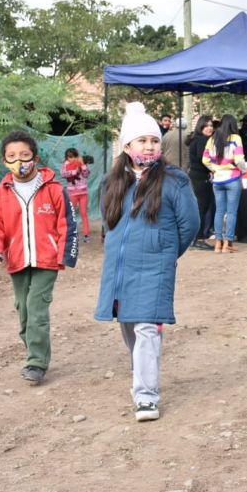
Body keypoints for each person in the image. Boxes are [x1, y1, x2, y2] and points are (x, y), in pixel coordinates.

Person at [94, 102, 199, 422]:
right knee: (129, 327)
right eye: (142, 140)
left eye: (154, 140)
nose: (150, 146)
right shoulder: (111, 181)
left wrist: (165, 252)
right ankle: (142, 369)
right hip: (120, 269)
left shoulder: (174, 180)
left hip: (155, 266)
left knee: (147, 328)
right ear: (127, 146)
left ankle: (146, 396)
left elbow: (190, 225)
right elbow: (107, 219)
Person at [0, 130, 78, 385]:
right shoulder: (0, 193)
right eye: (12, 156)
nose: (19, 161)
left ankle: (36, 362)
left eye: (24, 155)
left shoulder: (54, 189)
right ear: (4, 161)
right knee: (23, 312)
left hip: (47, 261)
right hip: (17, 260)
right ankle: (33, 347)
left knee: (36, 309)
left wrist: (66, 253)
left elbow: (67, 223)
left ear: (35, 158)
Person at [202, 115, 246, 253]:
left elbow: (205, 159)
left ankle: (217, 244)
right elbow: (239, 159)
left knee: (219, 211)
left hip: (217, 180)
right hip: (233, 178)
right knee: (231, 212)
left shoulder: (212, 139)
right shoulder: (235, 139)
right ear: (232, 125)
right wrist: (243, 171)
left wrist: (216, 169)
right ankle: (228, 244)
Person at [186, 115, 215, 250]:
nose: (210, 128)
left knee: (200, 208)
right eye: (207, 125)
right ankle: (197, 239)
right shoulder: (203, 140)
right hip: (200, 178)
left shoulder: (195, 139)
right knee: (201, 208)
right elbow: (203, 158)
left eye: (211, 125)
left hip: (196, 176)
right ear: (201, 126)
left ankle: (195, 238)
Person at [60, 148, 91, 242]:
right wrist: (75, 171)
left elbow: (86, 175)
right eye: (70, 157)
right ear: (67, 157)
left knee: (83, 213)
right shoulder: (64, 166)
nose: (72, 159)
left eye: (74, 156)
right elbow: (63, 174)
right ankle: (71, 234)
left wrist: (83, 166)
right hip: (72, 193)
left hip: (83, 192)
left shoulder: (81, 163)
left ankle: (86, 235)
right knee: (71, 214)